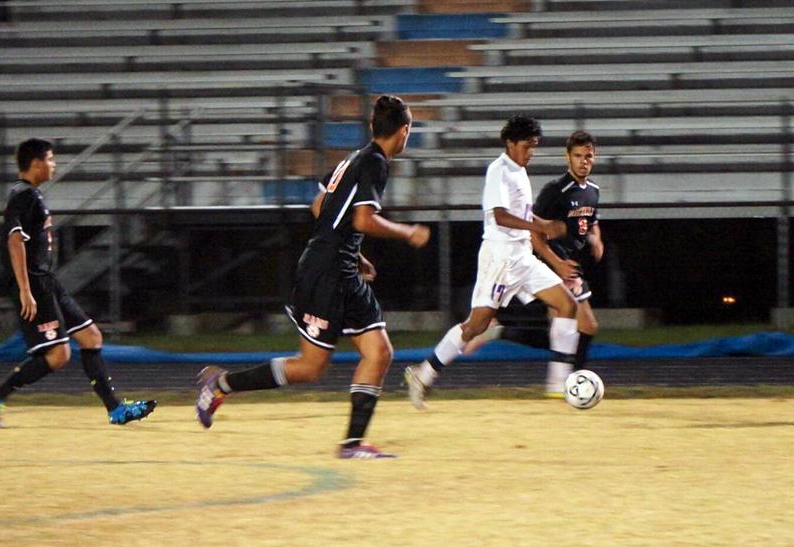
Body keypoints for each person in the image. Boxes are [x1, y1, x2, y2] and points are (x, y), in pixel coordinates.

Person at [195, 95, 430, 459]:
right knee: (310, 367)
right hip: (325, 273)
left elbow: (320, 205)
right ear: (404, 131)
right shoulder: (376, 164)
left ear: (372, 127)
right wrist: (406, 232)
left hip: (341, 268)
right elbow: (363, 220)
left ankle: (352, 444)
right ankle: (221, 384)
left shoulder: (352, 158)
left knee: (379, 351)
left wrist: (356, 253)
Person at [0, 138, 156, 427]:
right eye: (50, 159)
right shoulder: (24, 195)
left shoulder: (30, 195)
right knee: (59, 355)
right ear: (36, 163)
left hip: (47, 280)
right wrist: (24, 289)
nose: (54, 165)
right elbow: (14, 241)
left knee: (91, 337)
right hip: (34, 283)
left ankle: (116, 409)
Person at [404, 115, 579, 409]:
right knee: (476, 325)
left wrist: (544, 223)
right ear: (511, 143)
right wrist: (541, 228)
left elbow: (522, 214)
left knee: (566, 304)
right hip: (499, 257)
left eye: (534, 146)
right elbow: (499, 215)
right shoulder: (498, 170)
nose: (531, 151)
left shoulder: (520, 171)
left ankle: (559, 386)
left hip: (521, 255)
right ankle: (423, 373)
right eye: (527, 145)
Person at [465, 130, 604, 394]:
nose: (583, 161)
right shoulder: (555, 191)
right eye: (577, 156)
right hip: (556, 263)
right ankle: (572, 383)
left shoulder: (593, 191)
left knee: (567, 330)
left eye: (588, 156)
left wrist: (597, 239)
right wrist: (555, 263)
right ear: (568, 158)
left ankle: (503, 334)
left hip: (572, 264)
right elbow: (535, 230)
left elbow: (592, 223)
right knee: (584, 325)